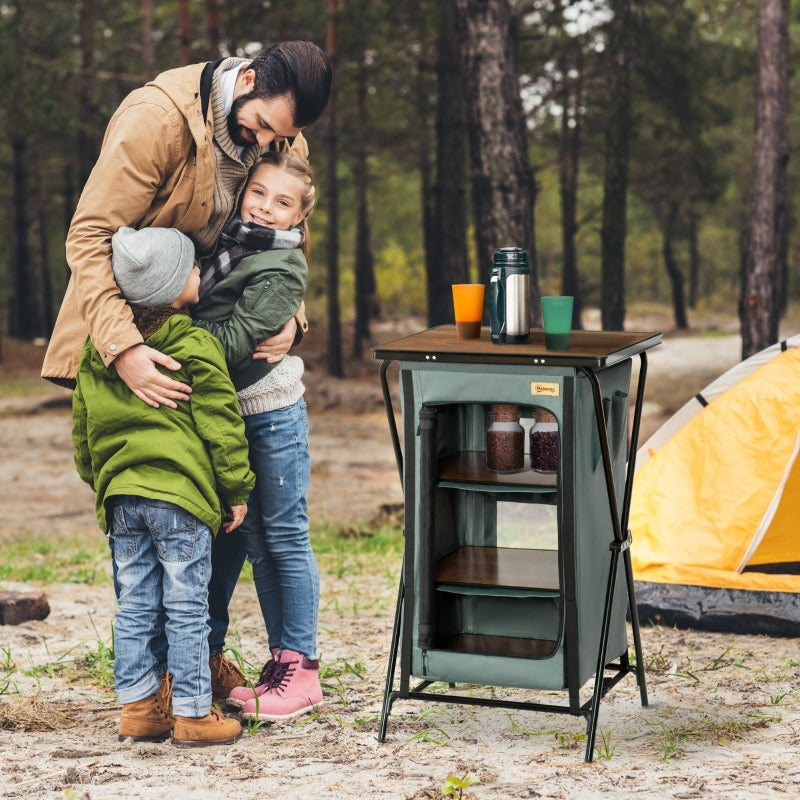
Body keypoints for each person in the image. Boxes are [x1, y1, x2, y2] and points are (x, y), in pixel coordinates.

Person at [42, 41, 332, 702]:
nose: (267, 144)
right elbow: (89, 236)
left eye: (282, 137)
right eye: (261, 128)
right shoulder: (155, 119)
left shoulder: (282, 135)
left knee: (237, 521)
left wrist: (292, 318)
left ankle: (212, 665)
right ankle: (163, 677)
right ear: (247, 80)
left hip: (228, 361)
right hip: (145, 343)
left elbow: (289, 242)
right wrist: (122, 350)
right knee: (165, 506)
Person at [72, 227, 256, 746]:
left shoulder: (99, 351)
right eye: (194, 268)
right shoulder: (193, 342)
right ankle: (195, 714)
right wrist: (236, 489)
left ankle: (139, 709)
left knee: (134, 604)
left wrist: (103, 481)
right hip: (180, 500)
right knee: (186, 606)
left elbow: (84, 430)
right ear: (177, 288)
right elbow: (222, 422)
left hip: (123, 498)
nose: (201, 273)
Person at [192, 151, 323, 722]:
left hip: (267, 414)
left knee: (279, 538)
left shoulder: (282, 265)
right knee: (224, 536)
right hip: (221, 416)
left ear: (298, 219)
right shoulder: (224, 242)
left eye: (283, 203)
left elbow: (237, 342)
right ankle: (207, 659)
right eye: (259, 193)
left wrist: (170, 337)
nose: (266, 208)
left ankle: (298, 671)